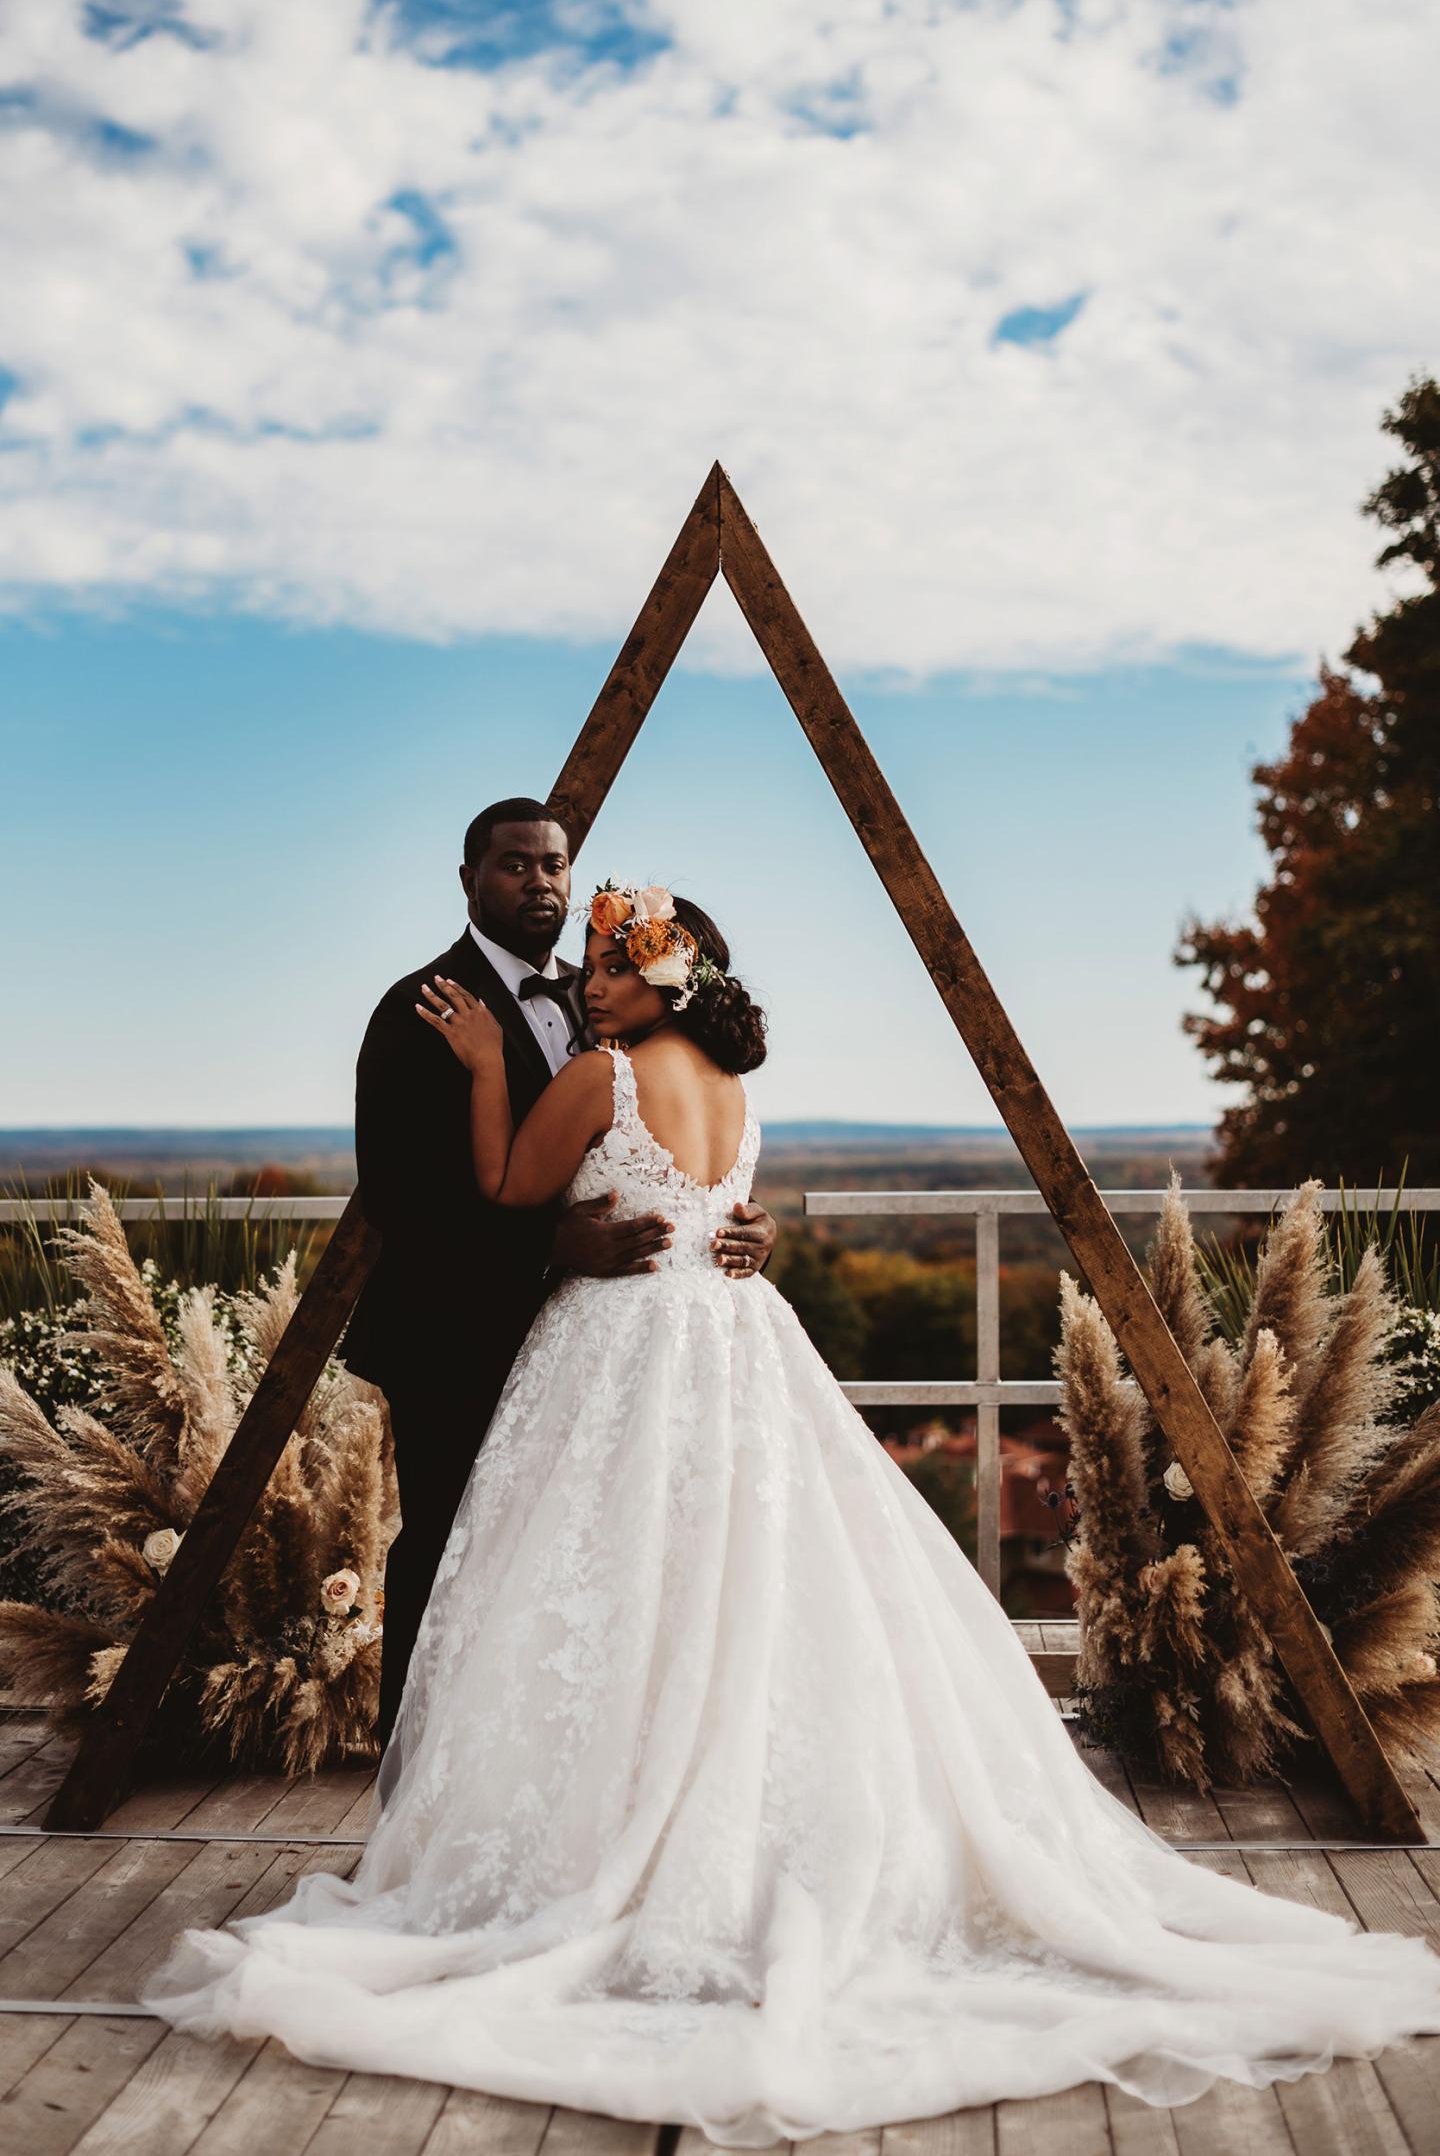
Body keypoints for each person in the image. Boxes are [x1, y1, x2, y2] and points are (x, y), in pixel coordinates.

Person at [142, 881, 1440, 2147]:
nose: (588, 981)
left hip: (619, 1347)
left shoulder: (602, 1077)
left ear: (656, 980)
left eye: (608, 963)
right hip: (737, 1340)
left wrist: (489, 1059)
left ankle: (622, 1824)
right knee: (742, 1572)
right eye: (590, 959)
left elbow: (500, 1185)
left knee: (608, 1574)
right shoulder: (738, 1092)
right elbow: (713, 1211)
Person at [340, 801, 776, 1742]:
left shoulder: (608, 995)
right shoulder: (421, 1006)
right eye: (514, 865)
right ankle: (413, 1772)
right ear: (469, 880)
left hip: (605, 1350)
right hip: (458, 1334)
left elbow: (668, 1148)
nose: (540, 882)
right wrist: (547, 1245)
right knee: (456, 1553)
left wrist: (747, 1226)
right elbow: (400, 1197)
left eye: (556, 865)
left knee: (584, 1563)